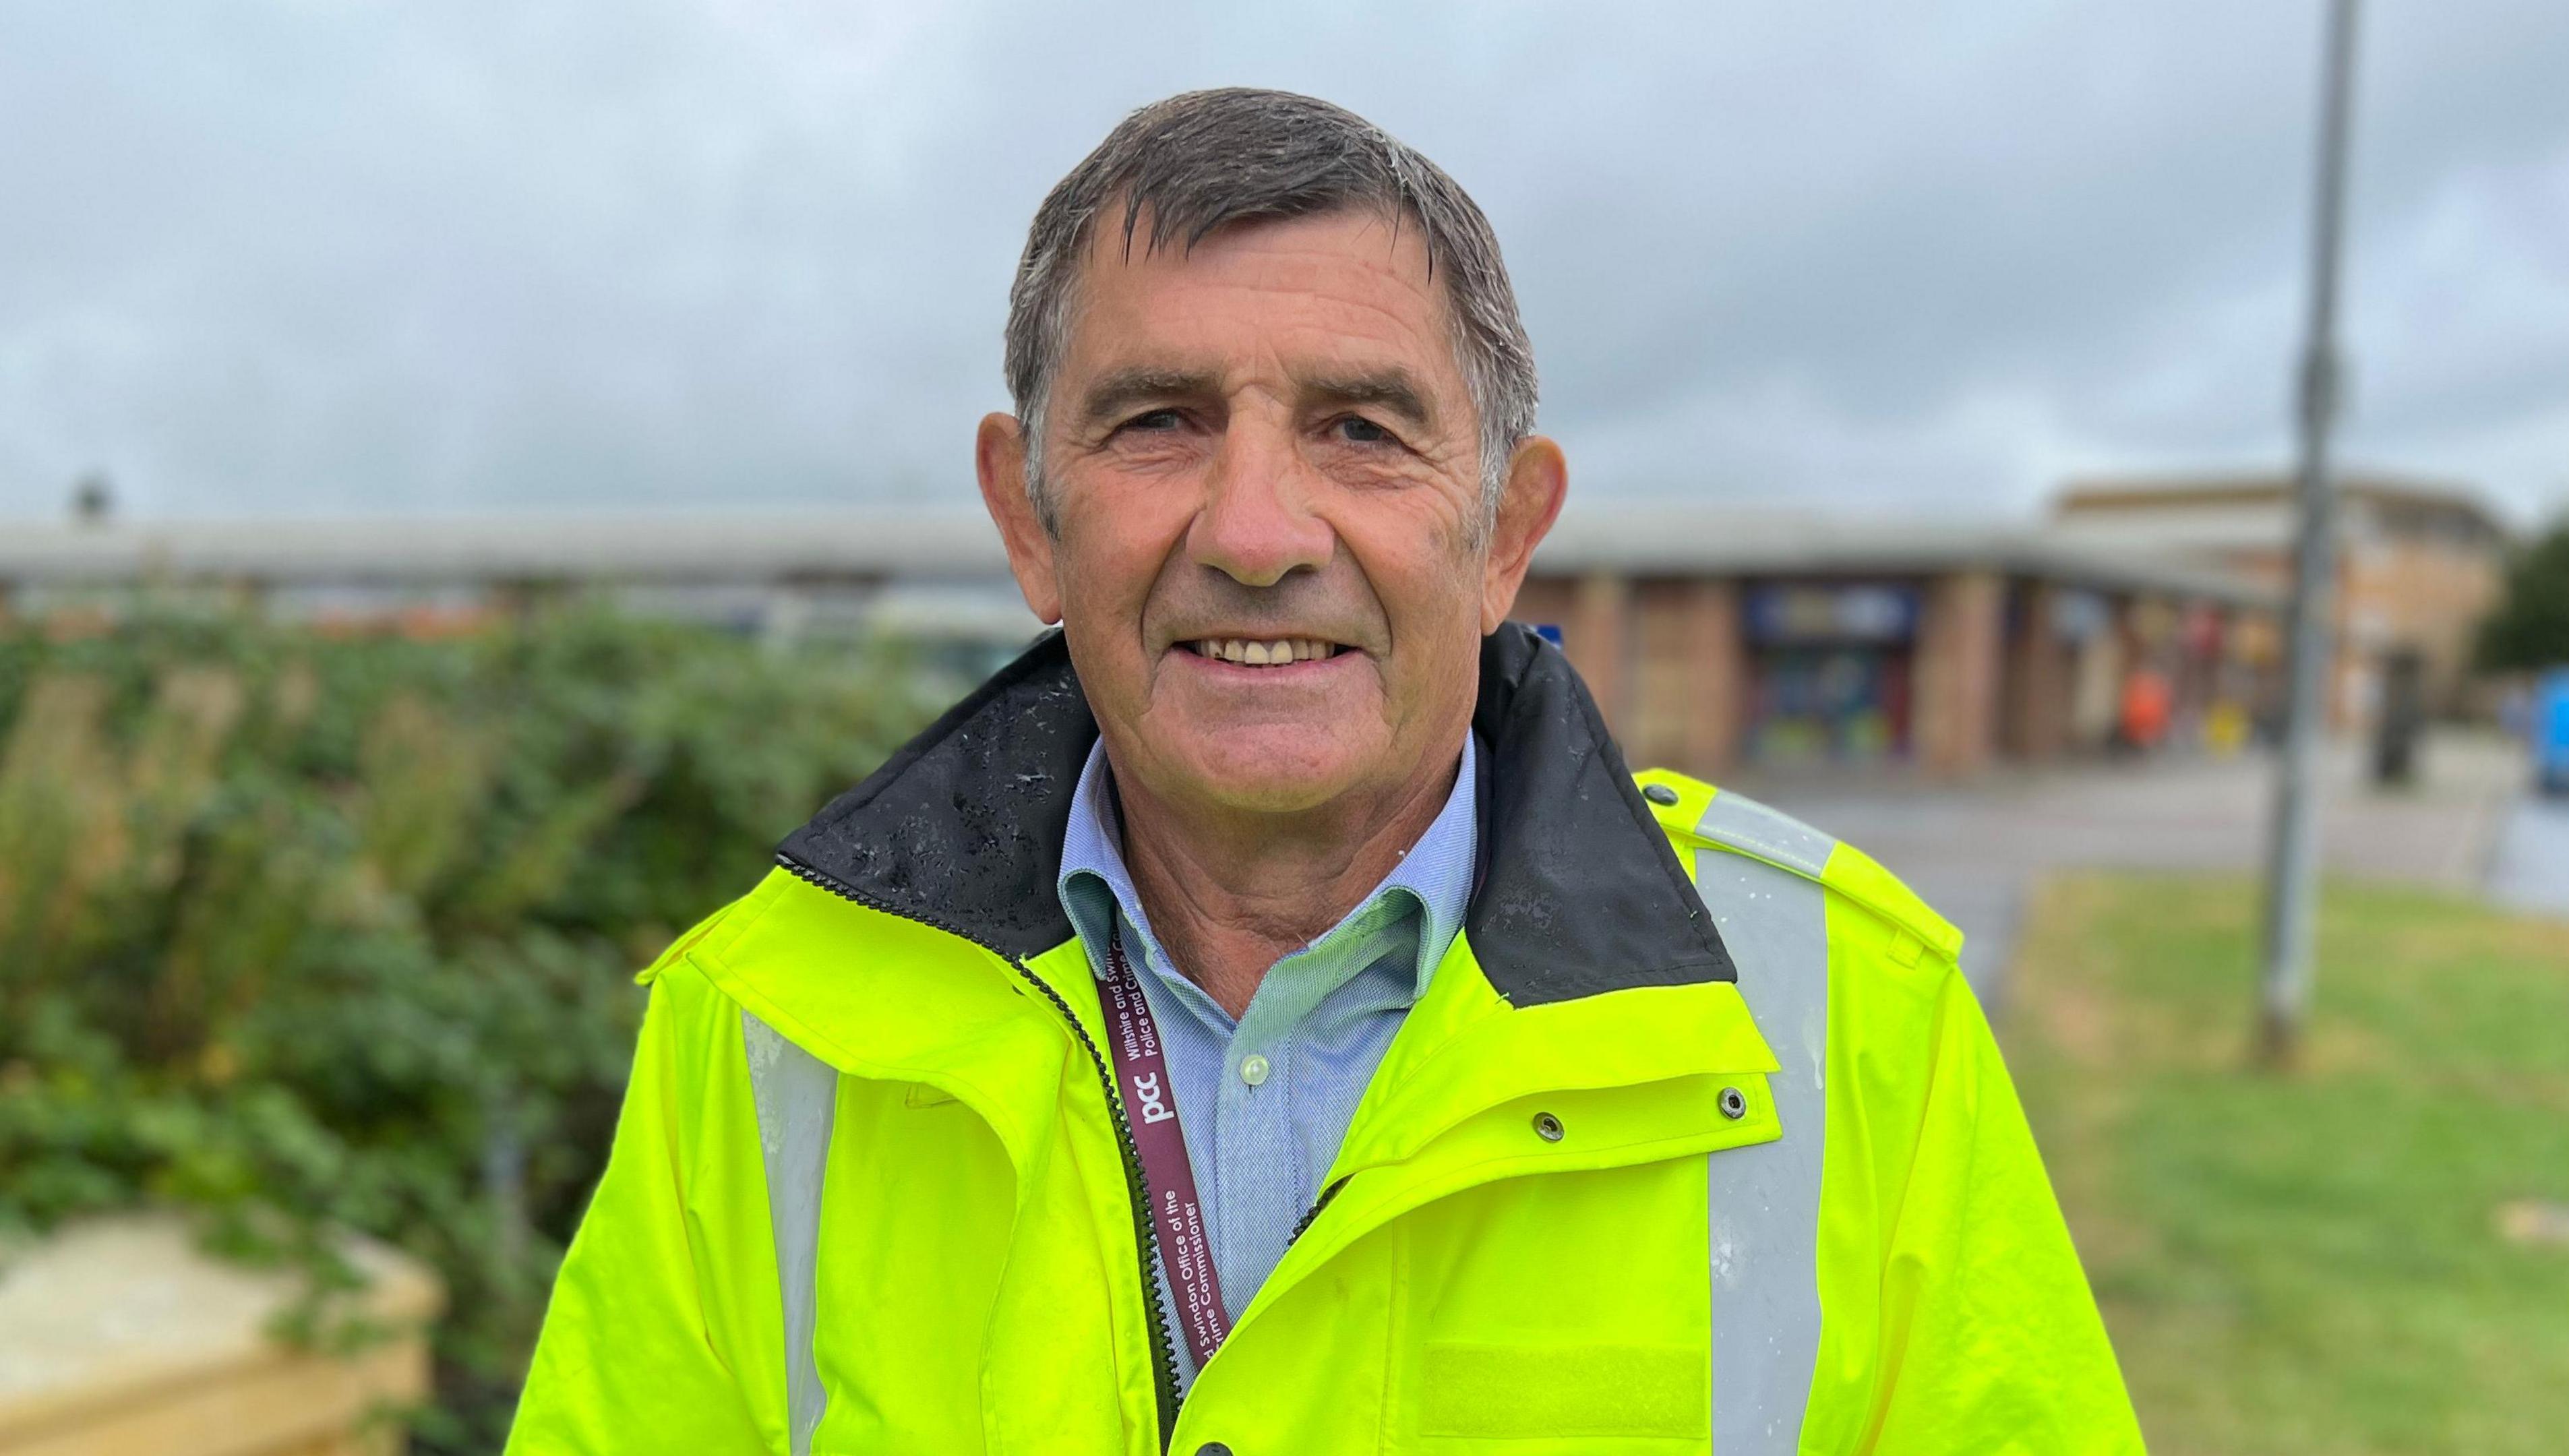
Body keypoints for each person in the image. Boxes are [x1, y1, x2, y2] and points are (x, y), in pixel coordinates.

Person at [508, 88, 2142, 1455]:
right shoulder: (763, 1031)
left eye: (1363, 428)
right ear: (1028, 520)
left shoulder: (1858, 1021)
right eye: (1158, 421)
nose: (1258, 533)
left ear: (1505, 533)